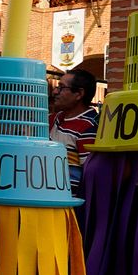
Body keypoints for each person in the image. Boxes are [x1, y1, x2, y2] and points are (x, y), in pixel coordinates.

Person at [49, 69, 99, 199]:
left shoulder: (89, 127)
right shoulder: (53, 119)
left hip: (70, 205)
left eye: (61, 87)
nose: (55, 92)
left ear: (79, 94)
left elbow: (91, 176)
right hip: (48, 198)